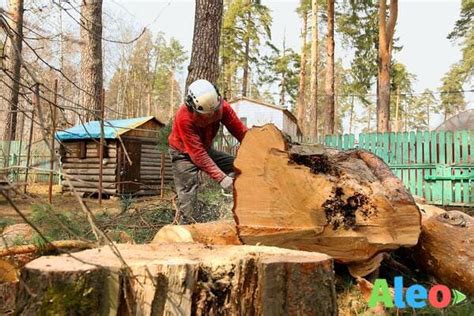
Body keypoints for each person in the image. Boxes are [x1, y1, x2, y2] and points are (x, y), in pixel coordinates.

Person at [168, 79, 247, 224]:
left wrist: (257, 148)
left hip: (204, 148)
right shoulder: (184, 117)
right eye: (206, 115)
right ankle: (186, 228)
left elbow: (241, 131)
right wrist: (222, 179)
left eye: (214, 112)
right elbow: (197, 155)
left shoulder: (221, 106)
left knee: (237, 167)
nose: (211, 116)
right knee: (188, 193)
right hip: (182, 153)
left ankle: (230, 206)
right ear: (192, 107)